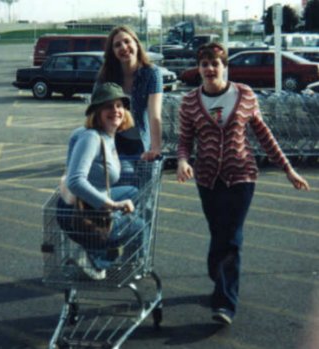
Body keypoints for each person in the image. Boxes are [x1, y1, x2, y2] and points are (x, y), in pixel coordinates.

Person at [176, 42, 310, 325]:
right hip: (207, 178)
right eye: (205, 64)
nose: (210, 69)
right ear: (199, 69)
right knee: (218, 235)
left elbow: (264, 135)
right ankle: (219, 278)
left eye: (216, 63)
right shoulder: (189, 101)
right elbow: (185, 141)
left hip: (242, 176)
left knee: (232, 238)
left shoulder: (245, 95)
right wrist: (182, 161)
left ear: (226, 67)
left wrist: (288, 169)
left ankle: (225, 303)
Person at [57, 82, 145, 278]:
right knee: (139, 226)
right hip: (79, 212)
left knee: (134, 192)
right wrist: (111, 205)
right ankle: (97, 260)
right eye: (108, 106)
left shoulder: (105, 135)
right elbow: (75, 181)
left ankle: (101, 247)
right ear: (96, 111)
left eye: (119, 105)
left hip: (81, 204)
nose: (115, 110)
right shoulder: (91, 137)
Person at [95, 25, 163, 161]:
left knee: (144, 181)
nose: (123, 47)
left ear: (136, 44)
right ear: (112, 52)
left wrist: (155, 148)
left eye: (127, 41)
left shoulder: (151, 73)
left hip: (142, 141)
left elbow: (154, 115)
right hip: (114, 141)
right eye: (117, 45)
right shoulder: (106, 76)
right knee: (120, 179)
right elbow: (95, 113)